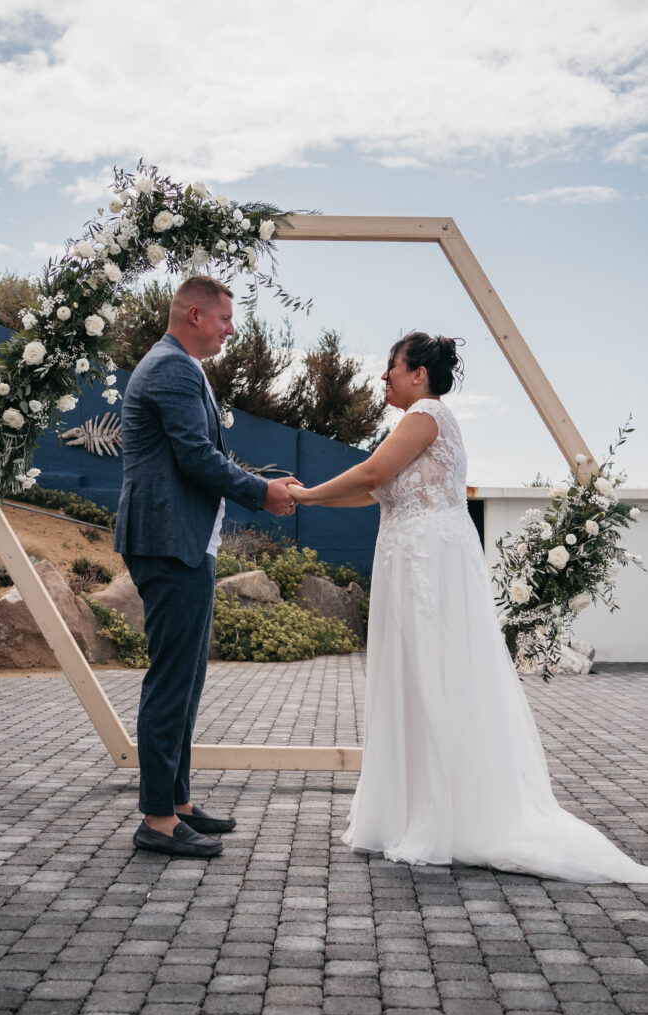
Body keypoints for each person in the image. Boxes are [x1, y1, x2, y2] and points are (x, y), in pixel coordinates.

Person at [288, 331, 648, 883]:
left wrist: (303, 495)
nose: (383, 377)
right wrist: (311, 496)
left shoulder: (426, 415)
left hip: (424, 562)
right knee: (416, 675)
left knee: (433, 674)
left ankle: (445, 812)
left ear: (419, 376)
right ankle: (416, 805)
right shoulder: (418, 422)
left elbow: (370, 475)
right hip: (417, 557)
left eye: (391, 367)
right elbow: (373, 491)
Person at [115, 276, 299, 858]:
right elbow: (196, 458)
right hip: (168, 542)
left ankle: (179, 802)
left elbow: (200, 454)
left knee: (188, 678)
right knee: (171, 680)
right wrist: (262, 493)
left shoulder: (180, 366)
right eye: (225, 319)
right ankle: (157, 820)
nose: (232, 329)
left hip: (185, 541)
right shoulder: (170, 368)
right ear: (194, 314)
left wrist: (257, 483)